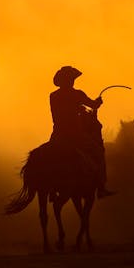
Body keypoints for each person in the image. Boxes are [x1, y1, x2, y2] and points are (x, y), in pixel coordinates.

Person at [49, 66, 114, 198]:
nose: (73, 81)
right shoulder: (78, 94)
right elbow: (94, 105)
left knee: (50, 157)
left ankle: (51, 190)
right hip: (76, 135)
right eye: (72, 79)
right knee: (98, 152)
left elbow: (57, 115)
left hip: (58, 134)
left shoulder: (53, 96)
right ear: (69, 80)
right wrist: (98, 102)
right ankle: (101, 187)